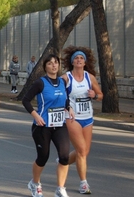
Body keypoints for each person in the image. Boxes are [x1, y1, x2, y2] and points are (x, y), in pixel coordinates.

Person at [22, 54, 74, 197]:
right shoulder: (40, 83)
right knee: (43, 157)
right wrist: (36, 115)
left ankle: (60, 188)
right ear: (45, 66)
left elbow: (65, 99)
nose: (54, 65)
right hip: (42, 126)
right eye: (50, 63)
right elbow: (25, 100)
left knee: (64, 157)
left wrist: (69, 108)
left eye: (56, 63)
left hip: (59, 124)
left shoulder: (63, 82)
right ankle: (35, 183)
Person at [61, 46, 103, 194]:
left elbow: (100, 95)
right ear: (72, 62)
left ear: (85, 62)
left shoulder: (89, 77)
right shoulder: (66, 78)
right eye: (76, 58)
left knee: (85, 151)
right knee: (81, 150)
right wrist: (66, 106)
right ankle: (83, 183)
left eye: (81, 58)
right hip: (72, 118)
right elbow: (58, 93)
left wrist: (95, 96)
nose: (79, 60)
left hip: (88, 118)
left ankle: (63, 160)